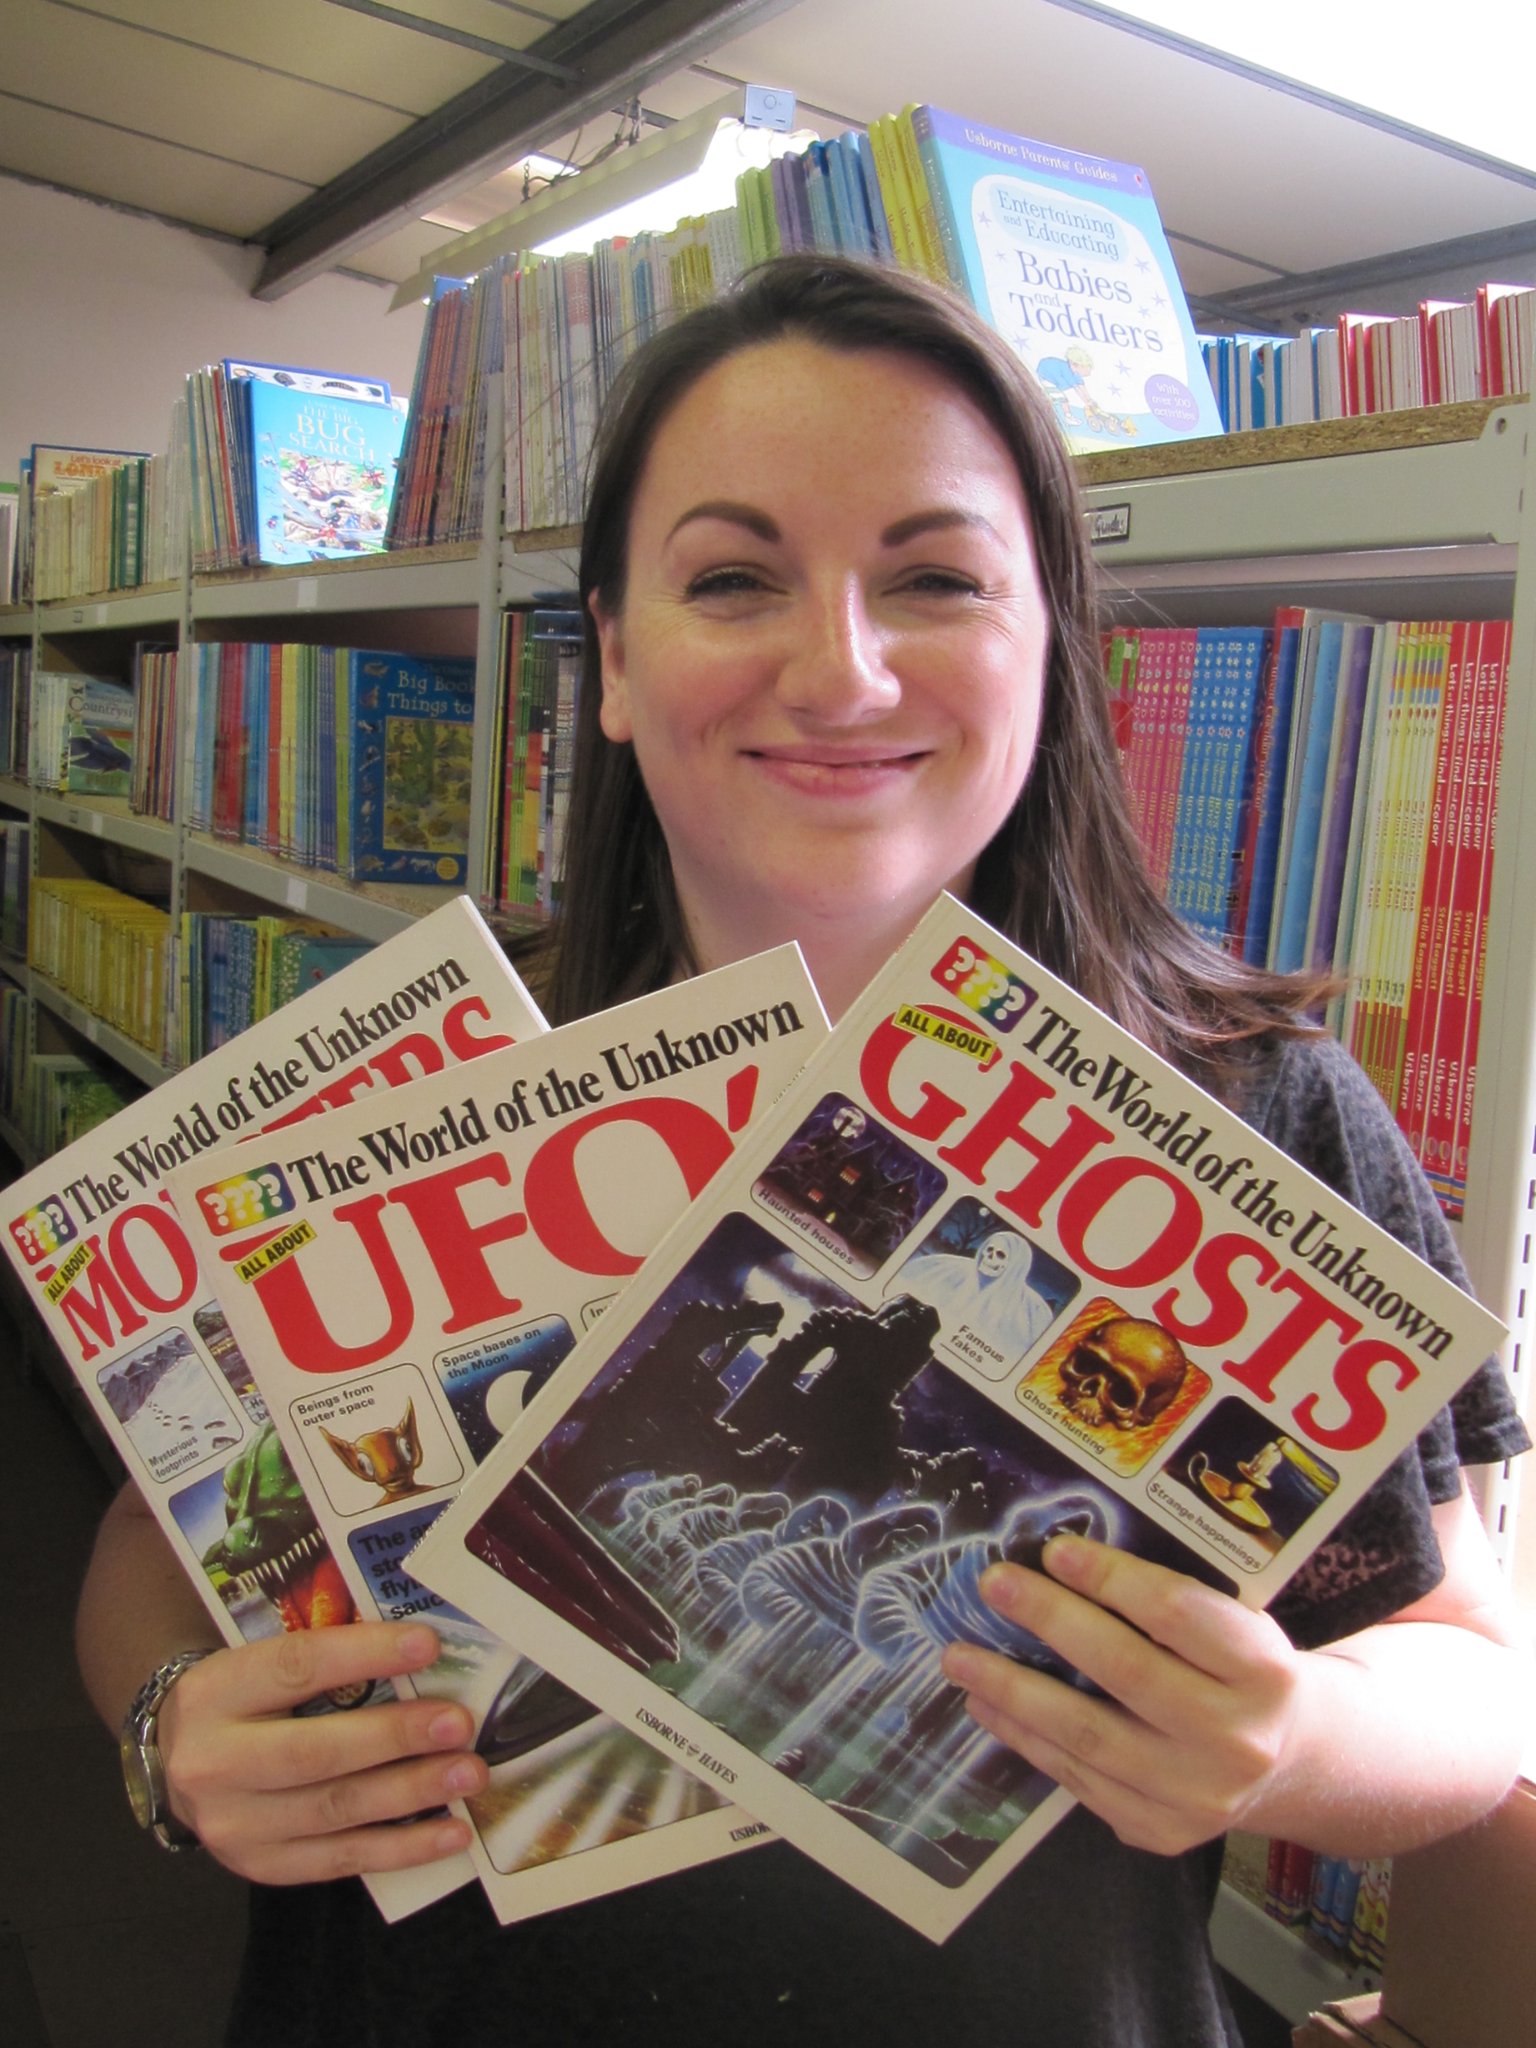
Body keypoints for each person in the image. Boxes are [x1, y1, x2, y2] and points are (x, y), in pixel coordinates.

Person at [77, 254, 1530, 2045]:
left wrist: (1294, 1741)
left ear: (1052, 644)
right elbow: (159, 1544)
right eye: (735, 577)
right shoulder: (410, 1074)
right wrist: (170, 1725)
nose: (838, 669)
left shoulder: (1264, 1114)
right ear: (611, 661)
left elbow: (1471, 1683)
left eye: (933, 578)